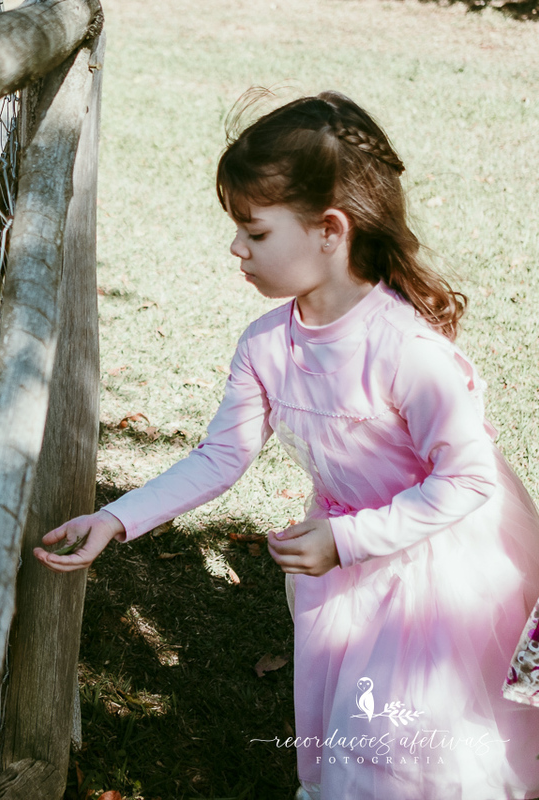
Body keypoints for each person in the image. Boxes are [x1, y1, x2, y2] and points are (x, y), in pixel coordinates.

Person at [34, 90, 539, 799]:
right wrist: (117, 518)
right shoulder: (268, 345)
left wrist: (347, 540)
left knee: (411, 754)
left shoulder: (408, 353)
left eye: (255, 231)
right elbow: (220, 456)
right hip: (345, 570)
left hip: (436, 570)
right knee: (354, 732)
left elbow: (468, 480)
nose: (235, 248)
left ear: (330, 230)